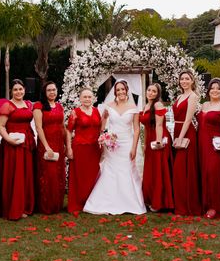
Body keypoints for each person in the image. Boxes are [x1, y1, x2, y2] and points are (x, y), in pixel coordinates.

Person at [83, 80, 146, 215]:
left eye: (123, 89)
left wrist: (134, 148)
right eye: (118, 90)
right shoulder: (109, 106)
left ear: (127, 90)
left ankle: (129, 203)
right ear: (115, 92)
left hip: (127, 143)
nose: (121, 92)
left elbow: (136, 130)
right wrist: (105, 136)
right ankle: (106, 201)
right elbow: (102, 123)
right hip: (112, 145)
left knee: (127, 170)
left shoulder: (133, 108)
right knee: (111, 171)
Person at [0, 79, 35, 220]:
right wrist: (9, 140)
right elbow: (0, 126)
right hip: (13, 144)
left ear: (24, 90)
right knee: (15, 175)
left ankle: (25, 205)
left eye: (21, 89)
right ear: (11, 91)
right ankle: (14, 207)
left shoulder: (28, 104)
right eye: (15, 89)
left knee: (26, 174)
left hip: (27, 143)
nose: (18, 92)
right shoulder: (7, 105)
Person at [197, 78, 220, 218]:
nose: (215, 90)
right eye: (212, 88)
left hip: (215, 145)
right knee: (204, 172)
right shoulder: (204, 105)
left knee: (214, 174)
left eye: (218, 88)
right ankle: (204, 203)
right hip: (202, 144)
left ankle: (215, 206)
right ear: (208, 90)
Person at [66, 88, 103, 213]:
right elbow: (68, 131)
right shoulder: (75, 112)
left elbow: (100, 129)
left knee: (93, 175)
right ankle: (78, 202)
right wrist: (69, 148)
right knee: (80, 176)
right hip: (80, 148)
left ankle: (91, 201)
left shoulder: (97, 111)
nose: (87, 99)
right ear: (80, 99)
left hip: (94, 149)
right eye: (85, 97)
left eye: (89, 97)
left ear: (93, 98)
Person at [139, 83, 174, 212]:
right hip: (150, 140)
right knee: (151, 170)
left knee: (159, 170)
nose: (151, 93)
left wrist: (158, 142)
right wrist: (144, 144)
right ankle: (150, 199)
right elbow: (146, 127)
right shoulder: (146, 106)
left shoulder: (158, 105)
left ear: (158, 93)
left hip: (159, 139)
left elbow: (159, 125)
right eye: (149, 90)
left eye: (154, 91)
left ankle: (160, 202)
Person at [33, 81, 66, 214]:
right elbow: (38, 127)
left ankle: (57, 204)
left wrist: (66, 144)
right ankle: (46, 205)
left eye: (54, 90)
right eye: (49, 90)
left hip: (58, 143)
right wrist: (46, 146)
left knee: (58, 174)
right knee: (48, 174)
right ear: (44, 92)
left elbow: (62, 126)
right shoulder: (38, 106)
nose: (52, 92)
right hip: (46, 143)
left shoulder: (59, 106)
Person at [171, 70, 202, 216]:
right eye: (182, 79)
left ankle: (187, 205)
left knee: (183, 169)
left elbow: (188, 119)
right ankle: (179, 203)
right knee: (178, 170)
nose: (184, 81)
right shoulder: (179, 96)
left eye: (187, 79)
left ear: (192, 81)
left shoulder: (193, 96)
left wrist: (180, 138)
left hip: (186, 133)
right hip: (177, 131)